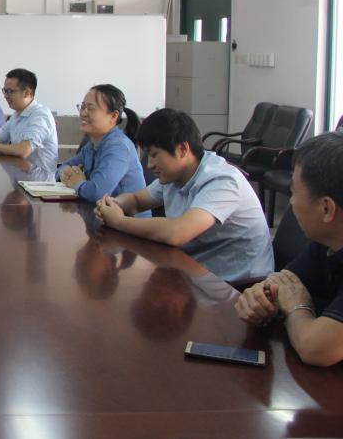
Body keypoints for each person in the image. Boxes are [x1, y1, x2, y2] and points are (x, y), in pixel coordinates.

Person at [94, 108, 273, 284]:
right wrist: (115, 203)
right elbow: (136, 201)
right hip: (197, 271)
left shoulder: (222, 180)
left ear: (182, 149)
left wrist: (118, 221)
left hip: (239, 286)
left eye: (154, 155)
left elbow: (177, 233)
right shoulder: (175, 175)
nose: (150, 164)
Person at [235, 131, 343, 366]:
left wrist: (296, 307)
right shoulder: (326, 244)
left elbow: (315, 349)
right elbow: (282, 283)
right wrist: (258, 299)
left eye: (293, 192)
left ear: (326, 209)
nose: (291, 202)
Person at [57, 84, 145, 202]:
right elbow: (62, 167)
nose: (83, 113)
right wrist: (65, 174)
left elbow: (97, 193)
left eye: (91, 108)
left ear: (113, 116)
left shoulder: (118, 147)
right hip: (98, 212)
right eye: (82, 107)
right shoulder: (92, 145)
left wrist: (77, 183)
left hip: (125, 214)